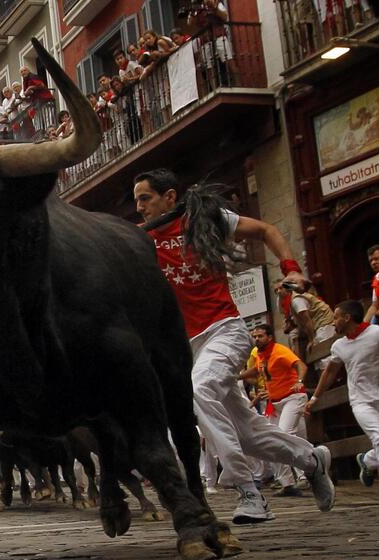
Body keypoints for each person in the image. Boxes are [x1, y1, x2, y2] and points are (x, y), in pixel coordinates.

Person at [133, 169, 334, 524]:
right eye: (136, 202)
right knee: (251, 436)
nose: (140, 208)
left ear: (169, 197)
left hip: (225, 330)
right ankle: (312, 461)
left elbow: (266, 230)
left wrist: (291, 268)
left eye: (145, 199)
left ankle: (249, 492)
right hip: (188, 347)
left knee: (201, 390)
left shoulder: (204, 219)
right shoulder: (140, 240)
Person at [306, 300, 379, 487]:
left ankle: (368, 460)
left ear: (347, 318)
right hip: (361, 402)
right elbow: (330, 371)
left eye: (336, 317)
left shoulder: (376, 334)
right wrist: (315, 397)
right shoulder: (339, 346)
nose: (333, 322)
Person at [240, 324, 308, 497]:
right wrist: (237, 376)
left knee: (283, 434)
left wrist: (299, 380)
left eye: (260, 336)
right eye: (254, 336)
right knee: (272, 440)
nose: (256, 339)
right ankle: (288, 483)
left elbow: (300, 365)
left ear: (270, 337)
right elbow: (257, 370)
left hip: (292, 398)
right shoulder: (259, 355)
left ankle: (310, 471)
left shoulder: (279, 351)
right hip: (275, 402)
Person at [364, 245, 379, 324]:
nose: (373, 262)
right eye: (371, 260)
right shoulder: (377, 279)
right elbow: (375, 306)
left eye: (377, 259)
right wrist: (362, 326)